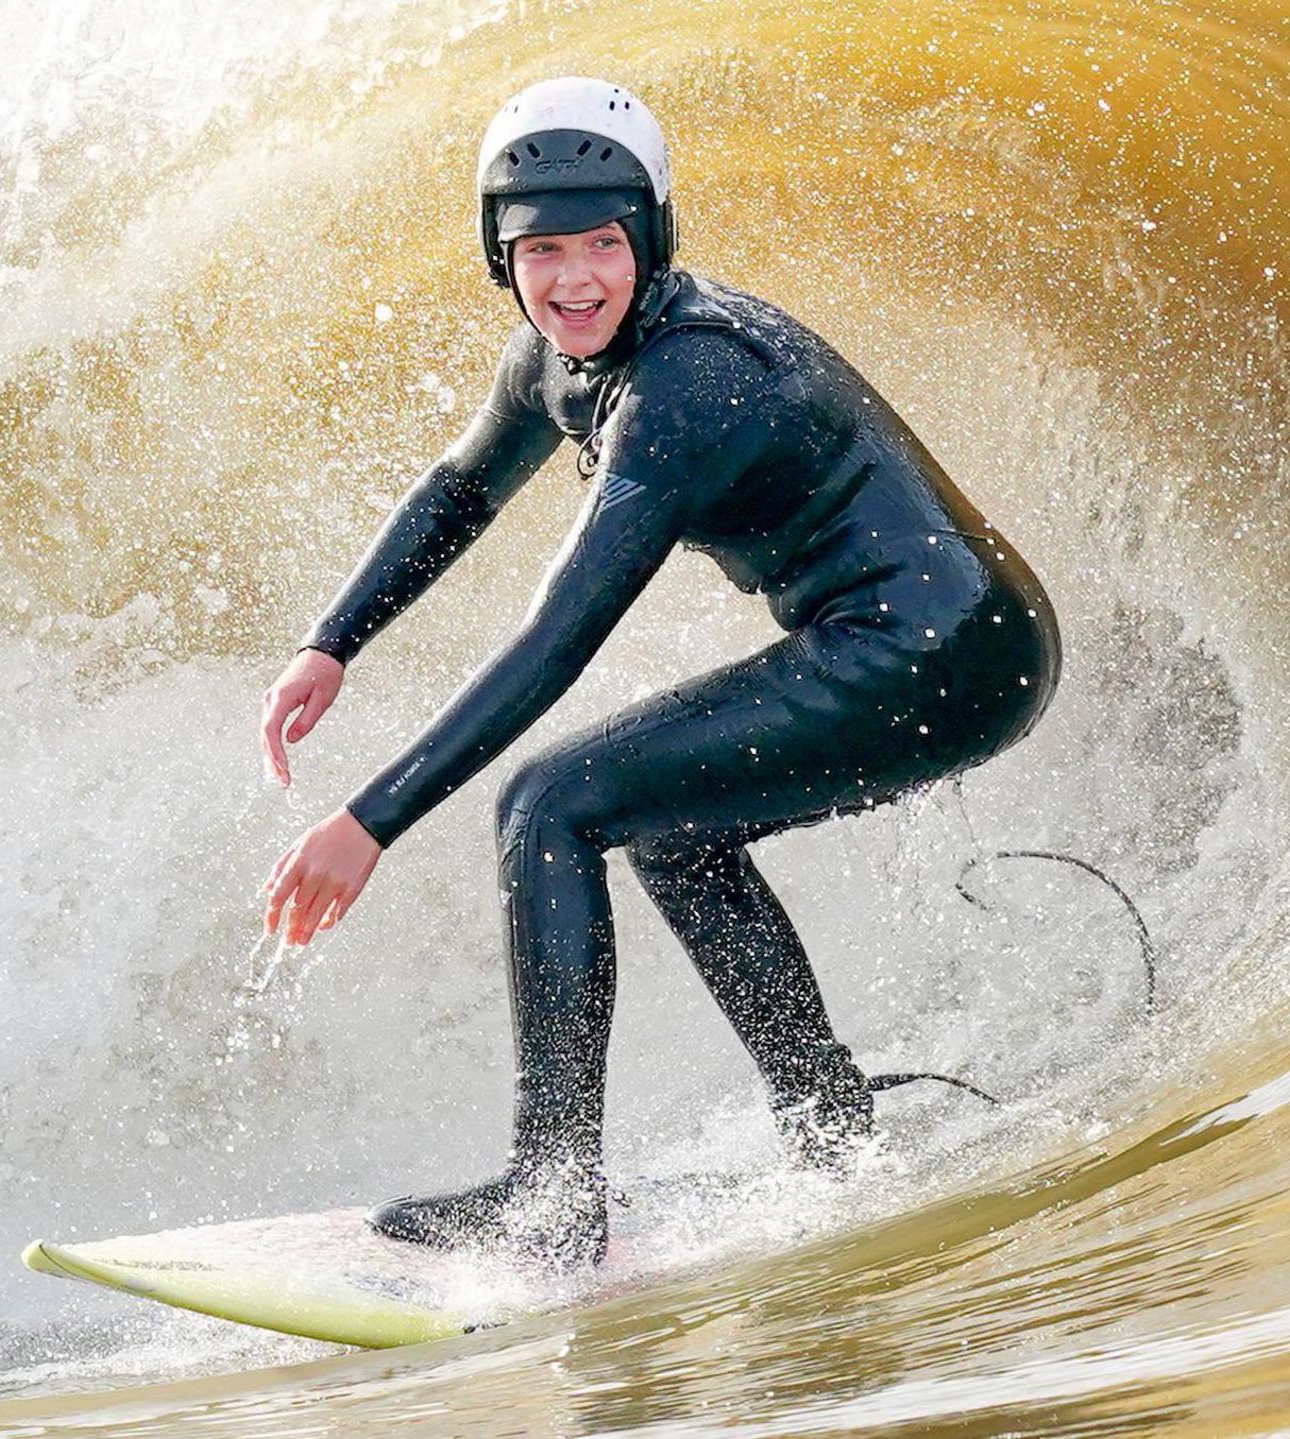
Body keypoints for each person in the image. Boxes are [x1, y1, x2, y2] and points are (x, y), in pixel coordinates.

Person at [255, 76, 1060, 1269]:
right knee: (664, 825)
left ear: (651, 239)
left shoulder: (689, 380)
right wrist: (334, 639)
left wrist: (372, 819)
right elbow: (464, 487)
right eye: (539, 249)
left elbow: (556, 638)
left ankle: (553, 1193)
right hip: (912, 634)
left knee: (550, 804)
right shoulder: (557, 354)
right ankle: (826, 1116)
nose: (571, 277)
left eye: (601, 244)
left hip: (944, 649)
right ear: (501, 253)